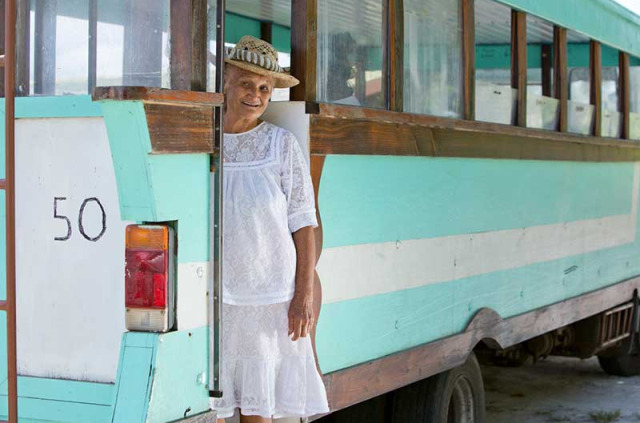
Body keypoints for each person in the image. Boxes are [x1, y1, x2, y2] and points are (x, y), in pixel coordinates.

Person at [212, 35, 330, 422]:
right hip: (219, 299)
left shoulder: (281, 145)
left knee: (259, 411)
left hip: (270, 298)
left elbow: (304, 221)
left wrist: (303, 296)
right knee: (220, 407)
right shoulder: (203, 142)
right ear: (226, 81)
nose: (256, 94)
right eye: (247, 83)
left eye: (265, 88)